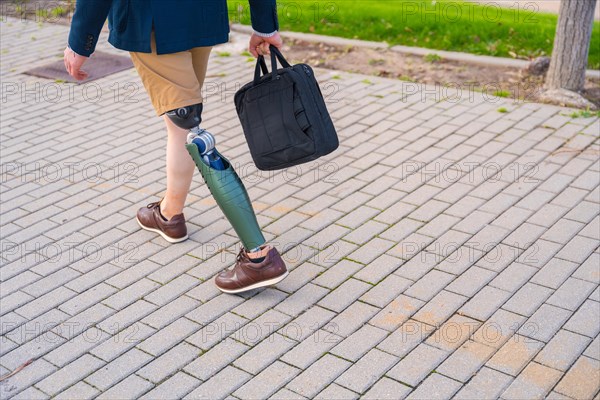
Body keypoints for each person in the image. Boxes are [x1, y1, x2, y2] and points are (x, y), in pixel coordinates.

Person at [64, 0, 288, 293]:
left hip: (153, 21)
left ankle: (259, 257)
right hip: (201, 17)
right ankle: (170, 215)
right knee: (181, 122)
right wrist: (264, 26)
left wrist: (80, 42)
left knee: (190, 127)